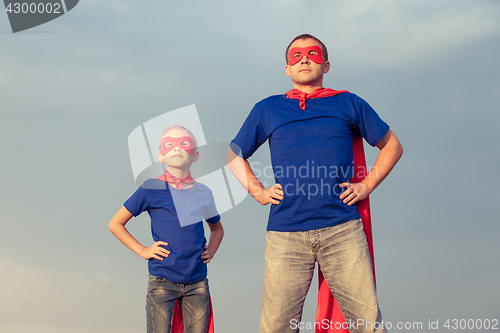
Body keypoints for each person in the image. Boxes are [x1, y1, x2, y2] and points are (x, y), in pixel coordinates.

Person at [227, 34, 403, 333]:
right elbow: (233, 154)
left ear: (326, 64)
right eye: (296, 55)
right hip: (285, 235)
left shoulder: (348, 102)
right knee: (276, 327)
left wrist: (365, 185)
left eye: (313, 53)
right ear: (287, 68)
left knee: (368, 325)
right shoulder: (267, 109)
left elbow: (392, 146)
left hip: (342, 230)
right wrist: (258, 191)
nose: (304, 59)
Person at [109, 125, 224, 333]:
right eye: (170, 144)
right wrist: (143, 250)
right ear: (161, 155)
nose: (177, 148)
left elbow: (217, 229)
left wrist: (212, 250)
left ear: (195, 155)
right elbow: (116, 223)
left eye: (184, 144)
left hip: (197, 283)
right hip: (162, 281)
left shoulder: (203, 192)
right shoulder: (150, 188)